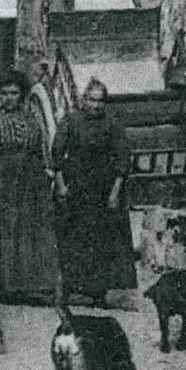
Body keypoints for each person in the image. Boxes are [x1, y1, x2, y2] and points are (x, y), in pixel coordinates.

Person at [0, 70, 60, 300]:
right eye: (5, 93)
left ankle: (25, 286)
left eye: (14, 93)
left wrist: (47, 172)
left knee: (25, 231)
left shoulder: (33, 119)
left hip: (28, 182)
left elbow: (43, 148)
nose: (9, 98)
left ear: (22, 95)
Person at [52, 78, 137, 306]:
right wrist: (61, 185)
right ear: (84, 99)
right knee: (74, 237)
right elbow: (57, 156)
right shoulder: (70, 121)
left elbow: (122, 160)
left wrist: (114, 193)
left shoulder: (112, 124)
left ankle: (98, 291)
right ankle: (73, 287)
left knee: (102, 239)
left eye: (101, 101)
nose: (96, 105)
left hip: (102, 187)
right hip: (77, 187)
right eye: (92, 100)